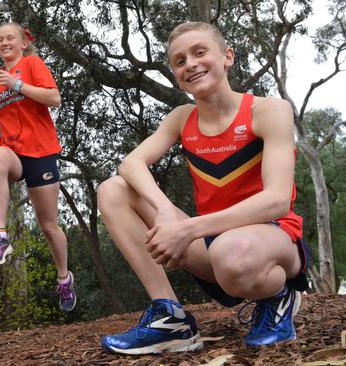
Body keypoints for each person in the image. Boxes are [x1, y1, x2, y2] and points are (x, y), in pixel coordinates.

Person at [97, 21, 310, 354]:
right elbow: (130, 164)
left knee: (229, 250)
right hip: (213, 245)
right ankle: (170, 317)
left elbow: (277, 201)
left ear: (227, 56)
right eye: (180, 61)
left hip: (273, 240)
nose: (190, 64)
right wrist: (165, 210)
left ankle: (278, 296)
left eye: (199, 52)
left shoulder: (268, 110)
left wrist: (186, 229)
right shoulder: (181, 119)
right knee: (113, 190)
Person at [0, 22, 76, 312]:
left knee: (48, 226)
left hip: (42, 152)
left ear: (23, 42)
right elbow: (1, 115)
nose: (4, 42)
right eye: (0, 39)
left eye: (10, 38)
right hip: (13, 151)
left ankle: (64, 278)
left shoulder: (32, 63)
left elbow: (54, 98)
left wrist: (18, 85)